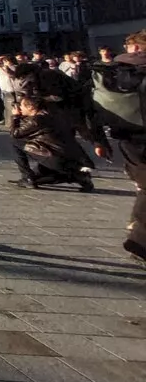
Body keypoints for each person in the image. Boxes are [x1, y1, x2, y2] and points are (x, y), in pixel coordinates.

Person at [92, 30, 146, 265]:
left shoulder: (110, 70)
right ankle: (138, 241)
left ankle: (137, 232)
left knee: (144, 185)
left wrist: (97, 139)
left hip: (125, 135)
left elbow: (91, 105)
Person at [10, 95, 100, 191]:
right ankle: (79, 177)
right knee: (37, 177)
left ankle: (27, 177)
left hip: (55, 158)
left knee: (14, 141)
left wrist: (15, 117)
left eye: (22, 106)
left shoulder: (37, 120)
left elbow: (15, 134)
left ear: (31, 107)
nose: (20, 108)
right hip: (70, 159)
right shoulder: (52, 116)